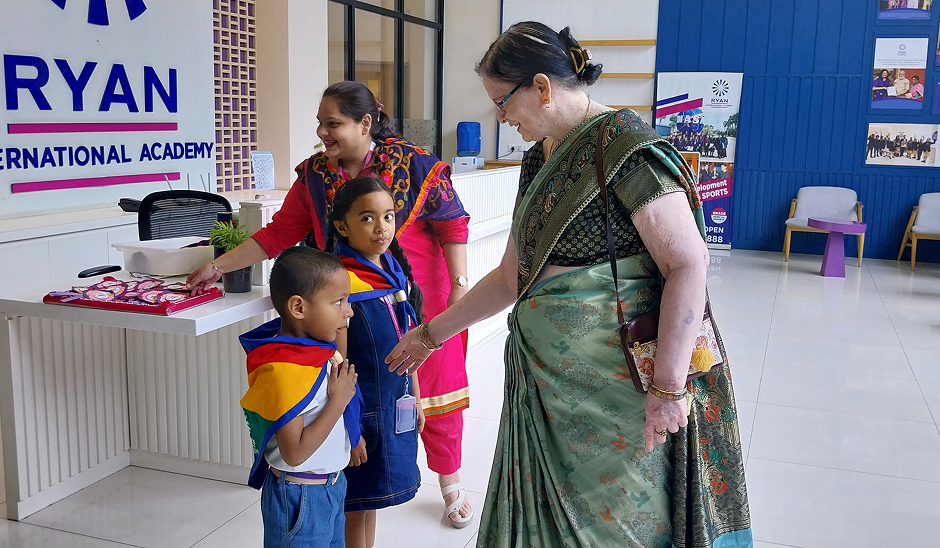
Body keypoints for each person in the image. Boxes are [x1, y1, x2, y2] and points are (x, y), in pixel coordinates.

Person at [387, 21, 752, 548]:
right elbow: (512, 276)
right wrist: (431, 334)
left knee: (619, 525)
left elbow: (688, 264)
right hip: (548, 393)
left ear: (541, 87)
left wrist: (669, 386)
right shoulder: (540, 158)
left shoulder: (629, 151)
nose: (501, 117)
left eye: (502, 102)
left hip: (617, 398)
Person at [187, 82, 475, 526]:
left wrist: (459, 287)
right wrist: (219, 265)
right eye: (320, 123)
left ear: (365, 123)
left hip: (420, 299)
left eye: (333, 123)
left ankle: (449, 478)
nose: (322, 132)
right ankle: (367, 479)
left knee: (435, 390)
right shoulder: (314, 175)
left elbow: (452, 224)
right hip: (349, 304)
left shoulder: (415, 163)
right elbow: (278, 233)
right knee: (366, 392)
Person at [239, 246, 363, 548]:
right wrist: (338, 402)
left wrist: (352, 436)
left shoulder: (316, 351)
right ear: (298, 308)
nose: (348, 311)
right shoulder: (284, 369)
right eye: (338, 302)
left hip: (332, 485)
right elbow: (294, 453)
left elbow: (324, 402)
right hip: (299, 495)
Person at [327, 177, 427, 547]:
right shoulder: (341, 283)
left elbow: (409, 342)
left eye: (388, 216)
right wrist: (350, 429)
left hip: (393, 402)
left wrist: (417, 398)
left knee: (370, 502)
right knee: (356, 503)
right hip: (361, 410)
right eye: (367, 218)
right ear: (343, 227)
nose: (382, 227)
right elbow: (336, 365)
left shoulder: (393, 272)